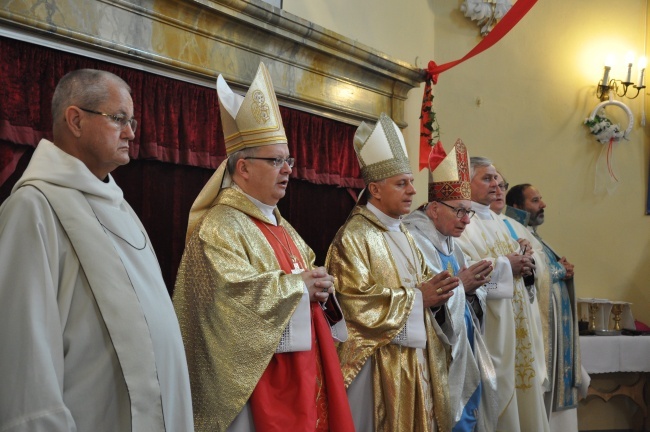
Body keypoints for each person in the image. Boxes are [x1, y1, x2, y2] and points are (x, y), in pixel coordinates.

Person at [0, 69, 193, 431]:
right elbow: (24, 350)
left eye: (131, 120)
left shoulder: (120, 206)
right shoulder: (34, 207)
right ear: (75, 120)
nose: (131, 133)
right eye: (119, 118)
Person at [172, 62, 354, 432]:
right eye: (275, 161)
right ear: (242, 169)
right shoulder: (220, 225)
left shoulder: (279, 223)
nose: (287, 169)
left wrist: (319, 283)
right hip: (254, 388)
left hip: (298, 373)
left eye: (288, 160)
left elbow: (305, 272)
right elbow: (227, 301)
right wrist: (298, 286)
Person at [326, 113, 458, 431]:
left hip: (414, 361)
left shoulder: (402, 232)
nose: (413, 191)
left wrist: (442, 290)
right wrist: (417, 299)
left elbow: (425, 280)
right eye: (402, 183)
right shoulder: (355, 235)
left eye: (411, 181)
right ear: (375, 188)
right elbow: (353, 304)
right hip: (377, 368)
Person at [403, 139, 498, 432]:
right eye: (459, 211)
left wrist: (473, 289)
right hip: (436, 360)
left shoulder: (451, 244)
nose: (466, 220)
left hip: (463, 352)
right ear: (433, 209)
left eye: (468, 212)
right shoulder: (414, 240)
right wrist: (462, 286)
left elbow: (466, 293)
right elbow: (427, 297)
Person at [455, 157, 549, 432]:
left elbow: (521, 278)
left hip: (518, 336)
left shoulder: (500, 222)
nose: (496, 185)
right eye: (487, 178)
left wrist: (526, 264)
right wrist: (508, 265)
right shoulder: (463, 224)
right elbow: (465, 275)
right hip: (492, 336)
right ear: (465, 182)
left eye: (497, 179)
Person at [507, 183, 586, 431]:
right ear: (517, 207)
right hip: (541, 333)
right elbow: (530, 272)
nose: (543, 205)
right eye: (535, 200)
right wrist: (559, 269)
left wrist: (559, 269)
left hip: (555, 333)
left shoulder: (531, 233)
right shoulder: (513, 230)